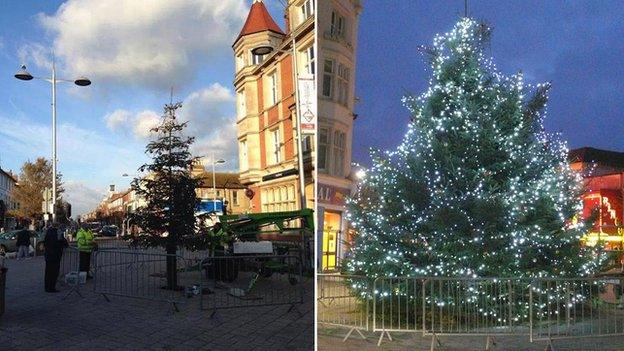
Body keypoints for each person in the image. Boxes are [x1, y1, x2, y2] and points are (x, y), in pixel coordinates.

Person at [44, 222, 68, 293]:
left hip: (48, 255)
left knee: (48, 272)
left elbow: (45, 242)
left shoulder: (48, 232)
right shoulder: (58, 233)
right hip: (55, 255)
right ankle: (52, 287)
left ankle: (47, 287)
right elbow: (63, 242)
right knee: (54, 272)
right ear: (58, 226)